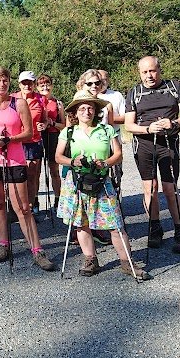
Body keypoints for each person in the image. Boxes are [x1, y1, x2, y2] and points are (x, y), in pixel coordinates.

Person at [55, 91, 152, 280]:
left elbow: (118, 154)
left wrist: (105, 163)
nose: (87, 111)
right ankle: (90, 259)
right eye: (82, 108)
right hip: (77, 182)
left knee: (115, 224)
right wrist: (74, 162)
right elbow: (58, 157)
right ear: (75, 111)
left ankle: (127, 262)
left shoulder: (107, 130)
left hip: (101, 180)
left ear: (96, 110)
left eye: (91, 107)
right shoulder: (68, 132)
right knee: (81, 223)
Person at [0, 67, 55, 271]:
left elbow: (28, 133)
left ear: (9, 82)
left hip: (15, 160)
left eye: (5, 80)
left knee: (23, 207)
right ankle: (4, 245)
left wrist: (9, 139)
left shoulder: (19, 103)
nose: (2, 84)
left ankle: (37, 250)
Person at [125, 56, 180, 254]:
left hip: (168, 142)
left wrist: (174, 124)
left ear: (159, 70)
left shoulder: (174, 86)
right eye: (144, 72)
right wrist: (148, 129)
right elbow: (129, 125)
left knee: (170, 189)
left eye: (152, 71)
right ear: (139, 73)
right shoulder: (134, 93)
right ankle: (155, 227)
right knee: (150, 189)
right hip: (144, 144)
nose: (149, 76)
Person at [75, 69, 116, 246]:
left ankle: (99, 226)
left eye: (97, 83)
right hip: (82, 151)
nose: (93, 86)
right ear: (83, 84)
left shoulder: (107, 104)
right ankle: (82, 230)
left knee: (101, 190)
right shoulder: (79, 100)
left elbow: (112, 126)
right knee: (82, 192)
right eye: (89, 83)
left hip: (103, 148)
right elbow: (71, 130)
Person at [14, 71, 45, 219]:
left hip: (33, 142)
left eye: (30, 82)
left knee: (32, 176)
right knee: (17, 176)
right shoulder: (12, 98)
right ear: (19, 84)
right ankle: (17, 206)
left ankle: (31, 207)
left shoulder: (40, 99)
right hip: (16, 141)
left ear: (34, 84)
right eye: (24, 82)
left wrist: (43, 125)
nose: (27, 85)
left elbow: (44, 120)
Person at [36, 74, 65, 213]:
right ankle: (34, 200)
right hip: (37, 136)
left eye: (47, 84)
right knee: (35, 171)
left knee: (54, 170)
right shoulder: (34, 102)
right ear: (37, 87)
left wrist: (52, 123)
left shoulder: (57, 103)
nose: (45, 87)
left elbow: (63, 125)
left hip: (53, 136)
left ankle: (58, 198)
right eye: (42, 85)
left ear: (52, 85)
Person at [97, 69, 126, 189]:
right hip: (96, 140)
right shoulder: (90, 95)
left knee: (116, 171)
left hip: (113, 137)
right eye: (99, 80)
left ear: (108, 80)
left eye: (104, 79)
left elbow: (125, 117)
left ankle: (117, 196)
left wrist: (109, 118)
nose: (101, 82)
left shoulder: (116, 95)